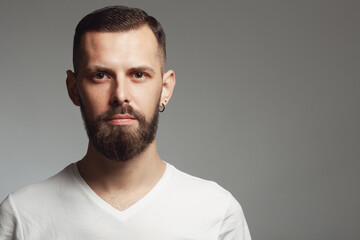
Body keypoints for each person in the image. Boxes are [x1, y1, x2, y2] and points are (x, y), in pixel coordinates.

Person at [0, 6, 251, 240]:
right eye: (100, 75)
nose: (120, 94)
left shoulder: (217, 212)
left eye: (138, 74)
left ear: (165, 88)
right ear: (73, 89)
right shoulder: (22, 216)